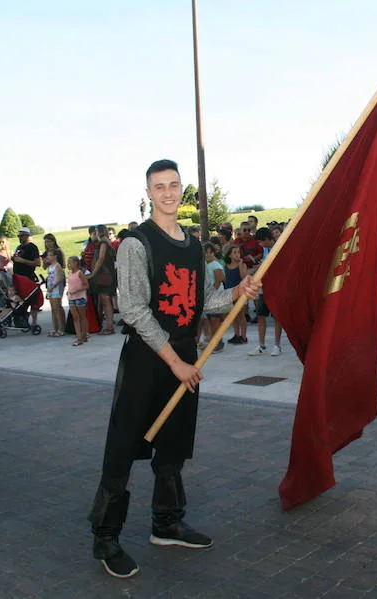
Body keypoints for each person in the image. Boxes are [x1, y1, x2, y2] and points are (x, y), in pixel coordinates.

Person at [87, 159, 261, 579]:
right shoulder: (136, 243)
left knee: (173, 445)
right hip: (149, 359)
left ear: (181, 189)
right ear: (148, 192)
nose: (168, 192)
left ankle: (166, 523)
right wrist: (175, 362)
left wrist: (237, 291)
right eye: (159, 186)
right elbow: (132, 309)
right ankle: (106, 537)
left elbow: (201, 302)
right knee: (124, 446)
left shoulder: (191, 244)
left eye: (174, 185)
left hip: (185, 358)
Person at [247, 228, 283, 356]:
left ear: (268, 239)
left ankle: (277, 345)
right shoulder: (265, 250)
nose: (261, 245)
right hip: (264, 287)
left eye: (262, 242)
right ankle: (261, 345)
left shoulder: (280, 247)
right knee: (261, 316)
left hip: (276, 287)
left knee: (277, 316)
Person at [88, 224, 117, 334]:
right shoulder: (103, 242)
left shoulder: (103, 242)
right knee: (104, 301)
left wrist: (93, 273)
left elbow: (100, 259)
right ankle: (108, 326)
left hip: (105, 274)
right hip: (105, 274)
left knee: (105, 300)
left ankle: (109, 327)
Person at [12, 227, 43, 328]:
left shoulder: (32, 247)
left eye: (22, 236)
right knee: (20, 300)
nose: (20, 238)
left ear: (27, 236)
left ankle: (34, 322)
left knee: (32, 299)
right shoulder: (19, 247)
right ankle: (21, 319)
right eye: (19, 236)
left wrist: (22, 261)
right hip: (18, 278)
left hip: (28, 277)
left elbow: (37, 263)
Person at [201, 242, 225, 353]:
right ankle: (213, 342)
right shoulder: (205, 264)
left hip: (216, 296)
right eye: (205, 253)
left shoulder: (216, 265)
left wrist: (212, 294)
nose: (207, 255)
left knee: (215, 321)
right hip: (209, 296)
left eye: (210, 252)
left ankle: (218, 343)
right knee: (211, 321)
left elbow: (218, 280)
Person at [223, 245, 248, 344]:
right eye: (234, 252)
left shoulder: (242, 265)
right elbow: (225, 280)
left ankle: (244, 336)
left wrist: (241, 264)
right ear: (229, 255)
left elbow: (243, 277)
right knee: (233, 315)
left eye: (238, 252)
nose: (237, 254)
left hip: (240, 293)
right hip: (230, 293)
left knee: (241, 315)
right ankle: (236, 334)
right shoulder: (226, 266)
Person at [67, 256, 90, 346]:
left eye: (71, 263)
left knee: (82, 316)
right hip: (71, 297)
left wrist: (77, 290)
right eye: (68, 263)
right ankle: (79, 337)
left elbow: (86, 285)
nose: (69, 265)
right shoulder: (69, 273)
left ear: (76, 263)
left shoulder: (79, 273)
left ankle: (84, 334)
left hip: (80, 297)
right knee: (75, 318)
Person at [46, 250, 66, 337]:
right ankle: (55, 328)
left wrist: (53, 286)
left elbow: (60, 278)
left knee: (57, 309)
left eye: (50, 255)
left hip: (56, 289)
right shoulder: (50, 267)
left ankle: (61, 329)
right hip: (50, 289)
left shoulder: (57, 266)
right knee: (53, 310)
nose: (48, 257)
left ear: (55, 256)